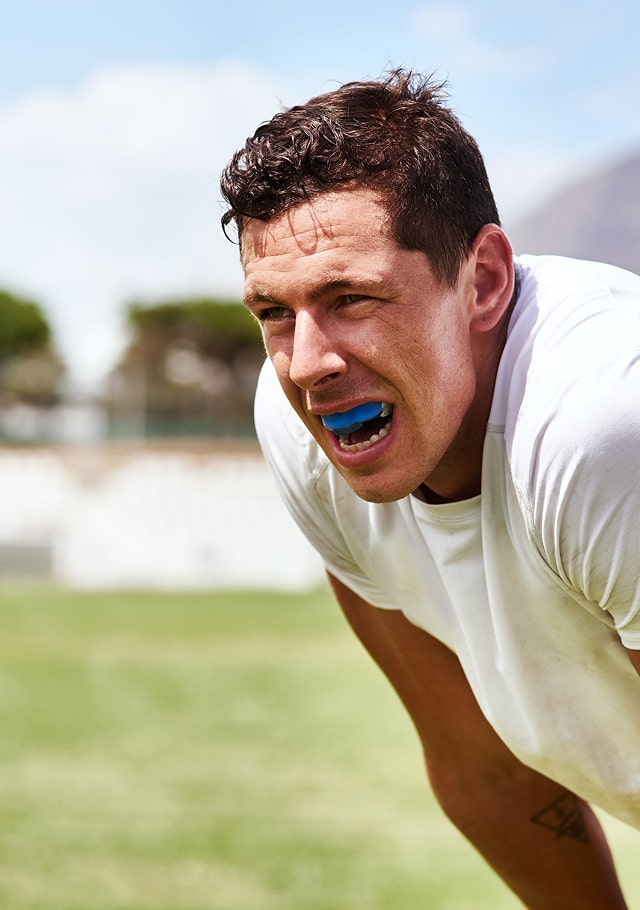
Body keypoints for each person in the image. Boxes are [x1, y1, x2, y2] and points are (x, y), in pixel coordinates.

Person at [219, 69, 640, 908]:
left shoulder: (598, 422)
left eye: (351, 297)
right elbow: (485, 768)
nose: (307, 366)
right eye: (274, 313)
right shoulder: (307, 433)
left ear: (483, 281)